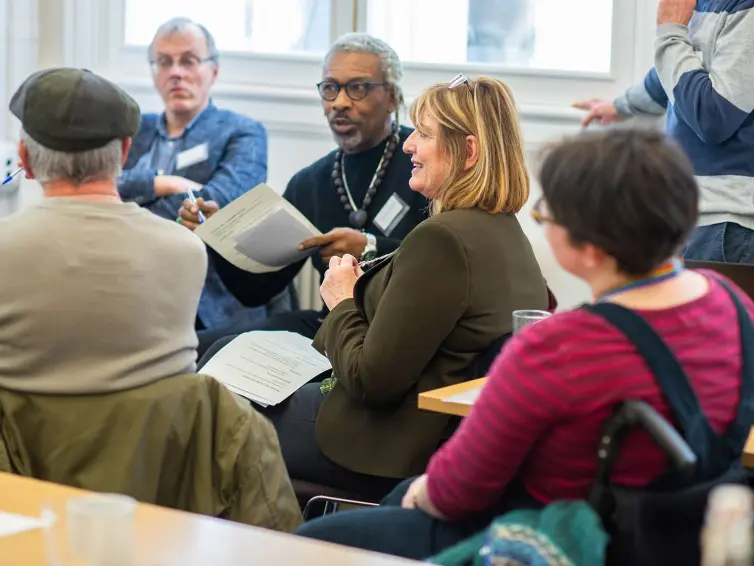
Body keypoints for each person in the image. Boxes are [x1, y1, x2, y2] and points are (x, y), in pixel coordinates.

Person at [294, 128, 754, 560]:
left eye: (547, 214)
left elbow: (457, 491)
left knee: (310, 544)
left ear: (588, 247)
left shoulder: (558, 345)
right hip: (680, 537)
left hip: (552, 537)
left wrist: (416, 493)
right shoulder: (732, 303)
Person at [246, 74, 549, 498]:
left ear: (468, 151)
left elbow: (373, 383)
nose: (409, 145)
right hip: (431, 434)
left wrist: (343, 301)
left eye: (423, 134)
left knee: (218, 413)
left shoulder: (442, 239)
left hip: (382, 442)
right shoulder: (505, 232)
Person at [179, 33, 428, 359]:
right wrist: (216, 236)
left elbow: (440, 262)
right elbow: (259, 290)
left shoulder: (421, 162)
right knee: (203, 348)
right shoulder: (311, 182)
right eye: (330, 88)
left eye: (357, 88)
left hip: (402, 331)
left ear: (393, 97)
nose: (339, 102)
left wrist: (370, 247)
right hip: (332, 325)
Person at [0, 67, 206, 393]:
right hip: (151, 443)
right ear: (124, 153)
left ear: (24, 158)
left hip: (26, 443)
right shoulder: (187, 250)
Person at [117, 17, 288, 338]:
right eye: (164, 62)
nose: (176, 72)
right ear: (154, 73)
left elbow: (215, 206)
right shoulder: (134, 129)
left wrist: (130, 203)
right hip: (133, 285)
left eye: (189, 61)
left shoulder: (242, 132)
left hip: (209, 300)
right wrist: (163, 183)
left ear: (214, 71)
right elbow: (99, 186)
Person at [574, 0, 754, 264]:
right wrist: (620, 106)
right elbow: (671, 73)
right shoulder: (703, 4)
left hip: (727, 222)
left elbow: (714, 117)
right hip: (689, 214)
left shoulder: (747, 9)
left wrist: (670, 32)